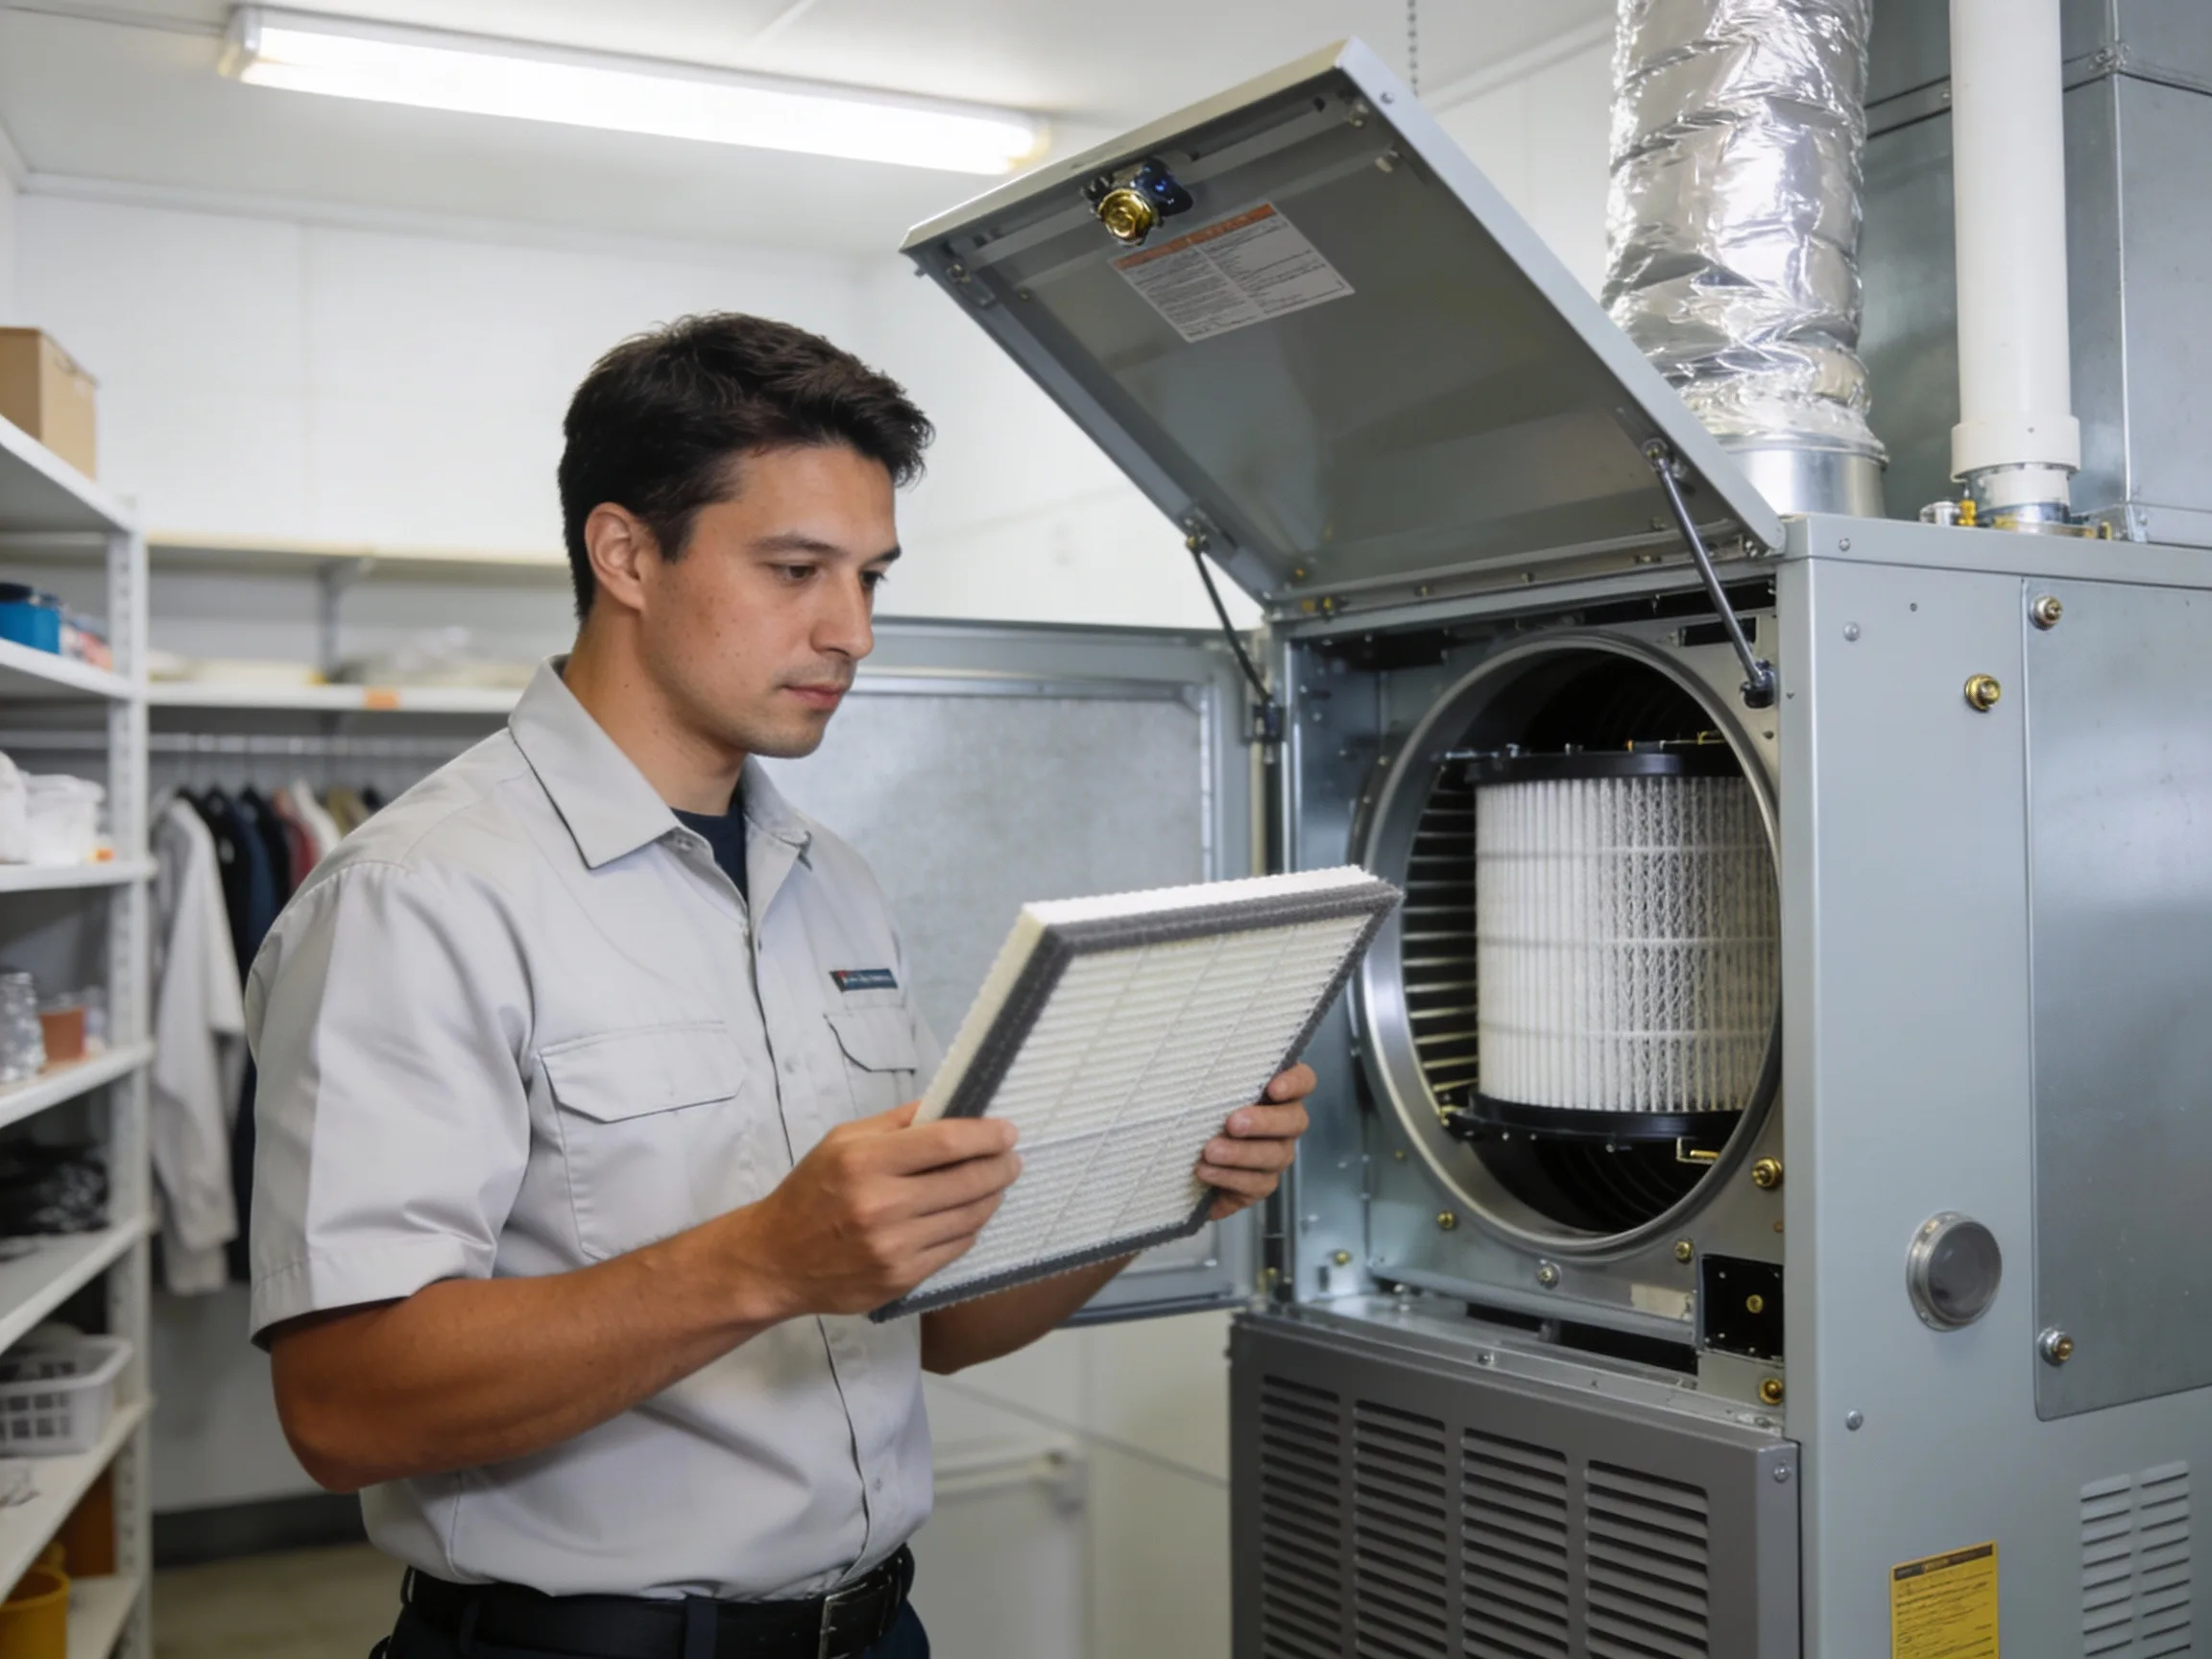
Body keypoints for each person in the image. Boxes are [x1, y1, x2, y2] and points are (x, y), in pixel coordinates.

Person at [245, 313, 1318, 1659]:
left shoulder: (830, 883)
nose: (852, 630)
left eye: (869, 575)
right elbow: (343, 1410)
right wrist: (759, 1259)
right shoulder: (418, 899)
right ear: (625, 553)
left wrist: (1169, 1180)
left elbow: (937, 1326)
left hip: (871, 1632)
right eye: (796, 569)